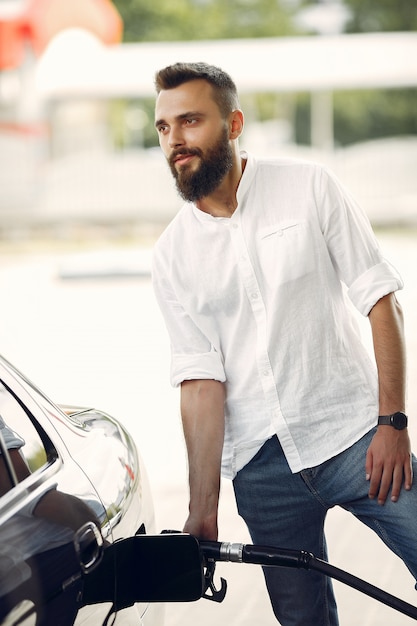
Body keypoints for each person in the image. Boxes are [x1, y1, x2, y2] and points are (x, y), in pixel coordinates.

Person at [151, 62, 417, 625]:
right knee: (304, 623)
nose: (176, 140)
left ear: (234, 123)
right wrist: (203, 507)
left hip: (356, 442)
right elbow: (201, 380)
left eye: (191, 121)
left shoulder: (309, 186)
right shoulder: (171, 255)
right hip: (261, 471)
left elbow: (380, 299)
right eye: (164, 128)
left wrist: (393, 423)